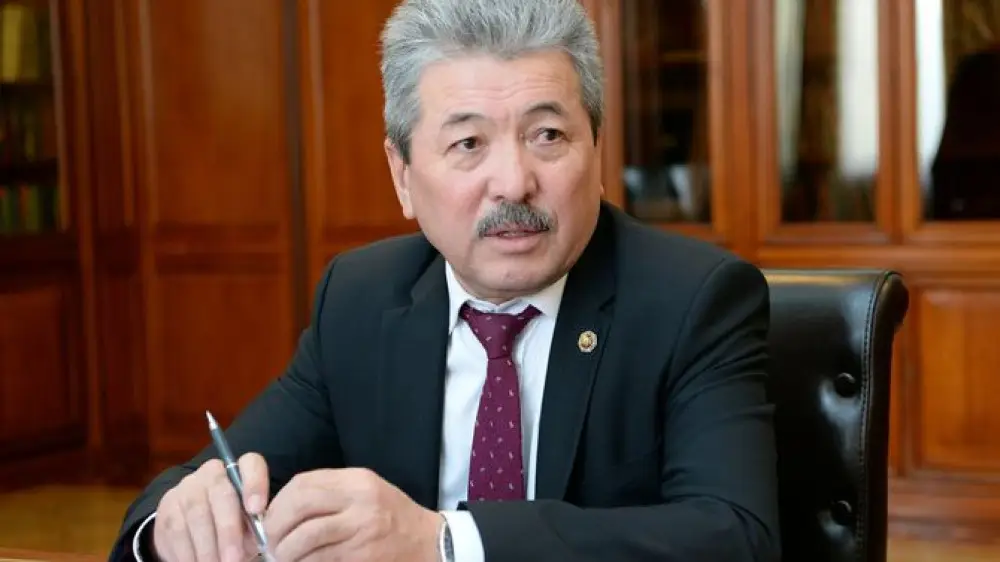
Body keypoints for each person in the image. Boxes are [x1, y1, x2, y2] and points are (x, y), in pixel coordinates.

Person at [110, 0, 781, 560]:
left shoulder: (693, 300)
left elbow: (735, 536)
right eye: (468, 144)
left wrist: (446, 542)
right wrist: (175, 526)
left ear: (598, 150)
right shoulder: (362, 298)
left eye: (548, 135)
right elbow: (199, 487)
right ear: (402, 176)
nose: (513, 182)